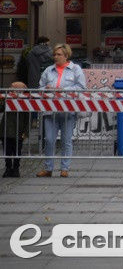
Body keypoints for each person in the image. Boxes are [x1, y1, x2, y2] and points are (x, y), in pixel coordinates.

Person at [36, 44, 86, 177]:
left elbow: (81, 87)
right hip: (50, 110)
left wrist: (64, 90)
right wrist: (46, 89)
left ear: (66, 56)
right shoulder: (48, 70)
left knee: (66, 140)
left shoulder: (75, 69)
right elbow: (39, 88)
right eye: (55, 54)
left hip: (68, 110)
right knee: (49, 140)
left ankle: (65, 168)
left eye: (59, 54)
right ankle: (48, 168)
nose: (56, 57)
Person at [2, 81, 28, 177]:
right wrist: (6, 97)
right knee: (7, 151)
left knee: (17, 150)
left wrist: (26, 132)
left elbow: (27, 118)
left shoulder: (25, 101)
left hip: (19, 130)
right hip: (6, 130)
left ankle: (16, 168)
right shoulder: (7, 99)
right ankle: (8, 167)